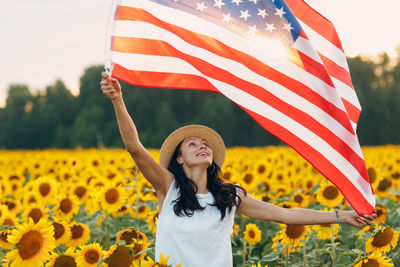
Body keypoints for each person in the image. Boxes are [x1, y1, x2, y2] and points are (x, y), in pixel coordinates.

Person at [100, 72, 376, 267]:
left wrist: (341, 216)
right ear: (179, 159)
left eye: (205, 144)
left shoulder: (229, 196)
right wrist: (117, 100)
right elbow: (134, 147)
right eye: (192, 144)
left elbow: (286, 216)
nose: (202, 146)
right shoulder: (167, 187)